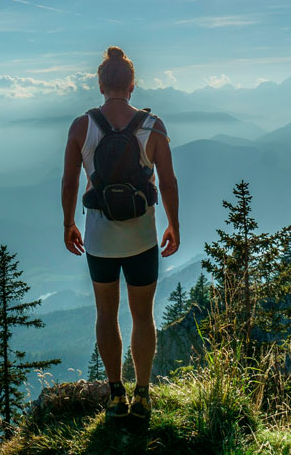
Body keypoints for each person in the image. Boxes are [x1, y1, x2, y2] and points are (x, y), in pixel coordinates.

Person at [61, 46, 179, 426]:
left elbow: (69, 179)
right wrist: (173, 224)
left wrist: (68, 223)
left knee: (106, 314)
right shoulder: (153, 126)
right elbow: (168, 181)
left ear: (100, 84)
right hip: (142, 238)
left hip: (99, 238)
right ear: (132, 84)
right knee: (142, 317)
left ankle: (115, 395)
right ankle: (142, 395)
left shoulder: (82, 126)